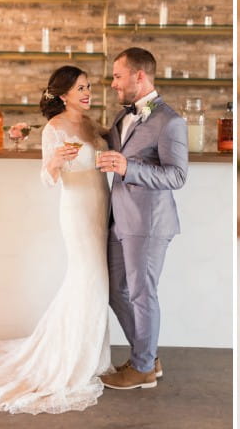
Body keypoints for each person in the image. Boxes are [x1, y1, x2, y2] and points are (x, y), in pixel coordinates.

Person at [0, 65, 113, 414]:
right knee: (89, 280)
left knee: (97, 283)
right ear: (63, 95)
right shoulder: (54, 128)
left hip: (101, 207)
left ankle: (91, 355)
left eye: (88, 86)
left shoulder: (92, 125)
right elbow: (46, 178)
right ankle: (70, 360)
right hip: (77, 212)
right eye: (80, 88)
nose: (87, 92)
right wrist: (55, 164)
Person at [95, 47, 188, 389]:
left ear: (139, 76)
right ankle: (146, 357)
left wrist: (128, 167)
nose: (112, 84)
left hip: (148, 224)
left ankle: (143, 367)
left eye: (117, 76)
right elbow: (103, 138)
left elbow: (177, 176)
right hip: (119, 219)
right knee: (115, 291)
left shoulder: (171, 122)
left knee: (141, 294)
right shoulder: (123, 116)